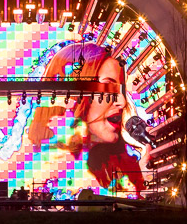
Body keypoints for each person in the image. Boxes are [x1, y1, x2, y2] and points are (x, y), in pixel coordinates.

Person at [27, 42, 150, 194]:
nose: (122, 102)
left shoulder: (126, 169)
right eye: (108, 87)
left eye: (121, 90)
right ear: (72, 94)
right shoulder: (35, 170)